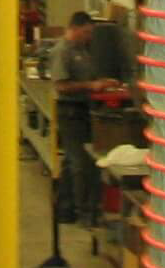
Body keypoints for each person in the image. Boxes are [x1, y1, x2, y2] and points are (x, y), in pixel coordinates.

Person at [51, 11, 120, 225]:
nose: (89, 37)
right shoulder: (62, 51)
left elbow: (87, 77)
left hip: (83, 110)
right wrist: (92, 86)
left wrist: (102, 82)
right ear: (76, 28)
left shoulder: (81, 49)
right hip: (69, 112)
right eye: (87, 32)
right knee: (79, 163)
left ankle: (65, 209)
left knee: (75, 163)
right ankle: (83, 213)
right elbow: (61, 85)